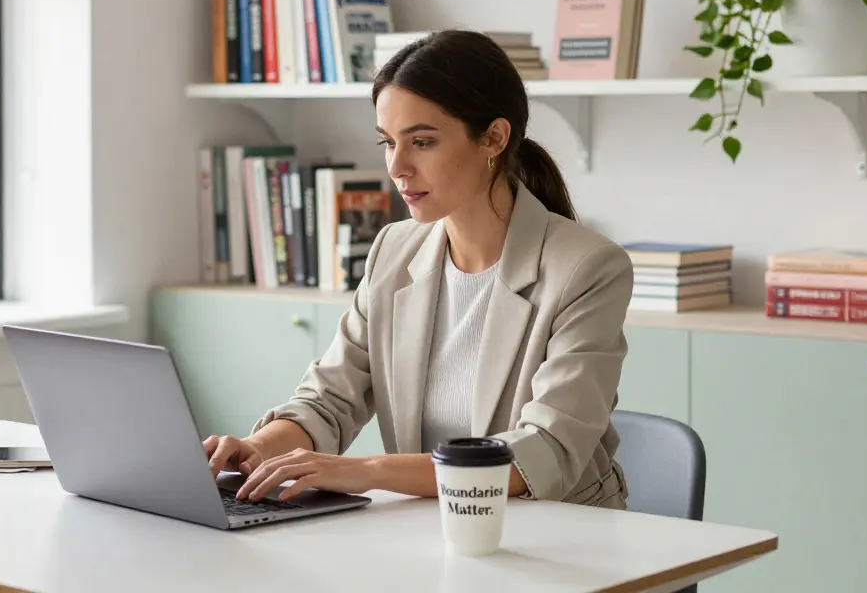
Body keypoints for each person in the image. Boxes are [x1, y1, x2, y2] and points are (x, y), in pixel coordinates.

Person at [204, 29, 635, 509]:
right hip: (431, 531)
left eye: (422, 142)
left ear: (494, 137)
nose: (397, 167)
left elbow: (540, 455)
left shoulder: (587, 267)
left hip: (561, 537)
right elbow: (329, 401)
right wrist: (258, 449)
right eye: (387, 142)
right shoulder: (393, 250)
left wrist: (364, 472)